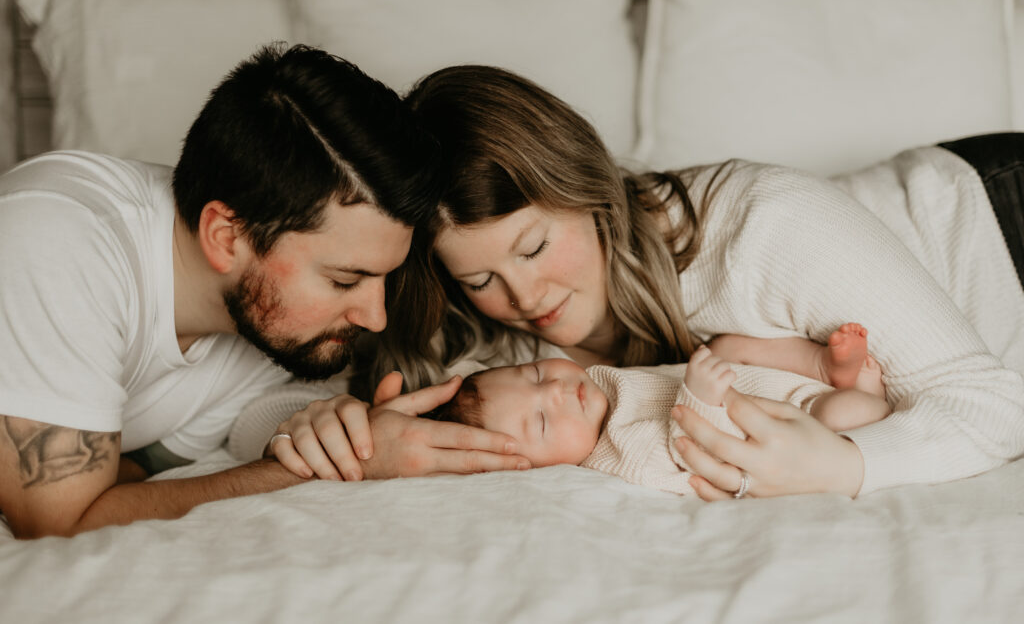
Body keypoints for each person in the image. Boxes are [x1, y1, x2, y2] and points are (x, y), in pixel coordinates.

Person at [257, 64, 1024, 502]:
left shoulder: (758, 226)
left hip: (1000, 218)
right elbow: (253, 408)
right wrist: (322, 425)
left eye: (534, 246)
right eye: (483, 276)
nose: (526, 298)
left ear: (590, 189)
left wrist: (844, 466)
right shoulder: (488, 340)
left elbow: (991, 404)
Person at [0, 46, 527, 540]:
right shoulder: (58, 239)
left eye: (384, 277)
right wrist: (341, 468)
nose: (374, 317)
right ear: (225, 237)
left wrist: (333, 439)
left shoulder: (269, 330)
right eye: (345, 280)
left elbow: (133, 478)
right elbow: (58, 525)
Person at [428, 325, 890, 495]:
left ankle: (821, 364)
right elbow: (684, 453)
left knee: (727, 344)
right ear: (530, 468)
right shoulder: (615, 455)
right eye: (543, 421)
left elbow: (469, 374)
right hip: (793, 431)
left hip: (762, 383)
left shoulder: (597, 387)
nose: (555, 391)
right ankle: (864, 396)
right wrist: (700, 399)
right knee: (839, 418)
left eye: (533, 373)